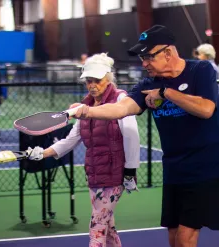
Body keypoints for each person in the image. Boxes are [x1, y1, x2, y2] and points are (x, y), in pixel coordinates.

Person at [72, 25, 219, 247]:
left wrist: (166, 93)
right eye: (142, 57)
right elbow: (120, 109)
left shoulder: (201, 69)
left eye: (149, 56)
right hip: (174, 169)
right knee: (173, 237)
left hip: (205, 168)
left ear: (168, 52)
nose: (144, 63)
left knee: (185, 237)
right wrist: (87, 111)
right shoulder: (147, 84)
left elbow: (206, 109)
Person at [28, 53, 140, 247]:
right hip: (95, 174)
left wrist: (130, 171)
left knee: (97, 226)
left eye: (97, 80)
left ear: (108, 78)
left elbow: (132, 136)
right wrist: (43, 152)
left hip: (116, 175)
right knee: (107, 225)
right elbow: (71, 139)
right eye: (89, 81)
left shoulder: (121, 99)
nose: (92, 85)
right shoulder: (85, 106)